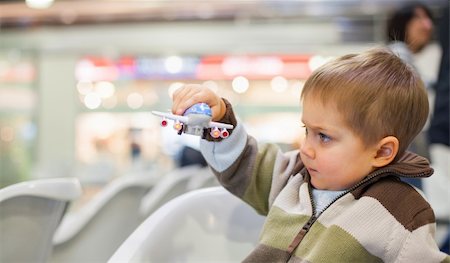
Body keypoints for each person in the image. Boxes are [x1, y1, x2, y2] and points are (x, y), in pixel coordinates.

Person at [170, 48, 450, 262]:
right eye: (307, 130)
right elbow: (245, 164)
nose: (306, 148)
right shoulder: (295, 177)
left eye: (324, 136)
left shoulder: (403, 213)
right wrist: (220, 117)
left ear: (382, 151)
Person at [386, 2, 437, 188]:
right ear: (403, 22)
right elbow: (411, 89)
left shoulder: (400, 52)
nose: (427, 25)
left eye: (428, 19)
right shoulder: (399, 51)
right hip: (405, 152)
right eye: (420, 18)